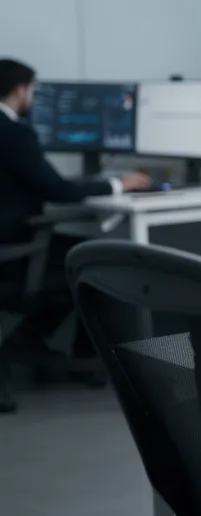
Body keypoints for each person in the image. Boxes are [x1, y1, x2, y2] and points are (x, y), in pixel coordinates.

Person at [0, 59, 152, 412]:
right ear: (20, 90)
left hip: (9, 246)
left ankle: (29, 335)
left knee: (74, 252)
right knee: (96, 255)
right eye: (31, 91)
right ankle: (86, 357)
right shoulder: (13, 133)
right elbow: (58, 190)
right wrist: (119, 183)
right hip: (13, 252)